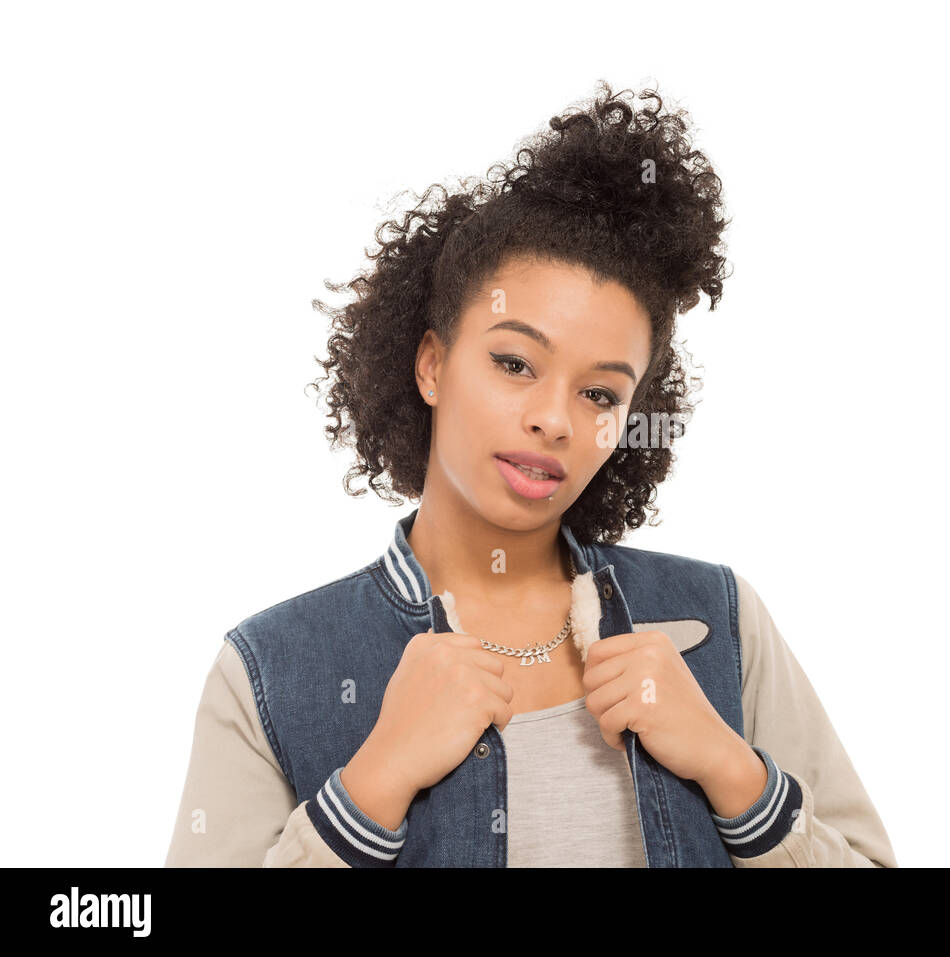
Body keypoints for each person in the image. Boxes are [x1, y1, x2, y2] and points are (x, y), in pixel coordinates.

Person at [164, 81, 896, 868]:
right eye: (515, 362)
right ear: (433, 363)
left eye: (600, 393)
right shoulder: (272, 670)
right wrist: (369, 789)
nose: (555, 419)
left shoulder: (720, 625)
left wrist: (734, 771)